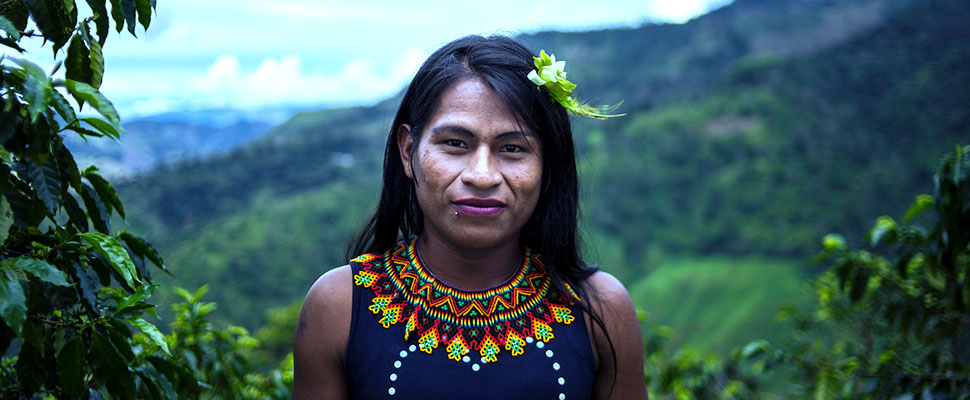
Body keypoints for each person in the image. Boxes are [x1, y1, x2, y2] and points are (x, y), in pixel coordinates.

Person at [293, 35, 647, 400]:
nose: (482, 175)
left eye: (512, 149)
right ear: (409, 150)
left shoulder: (602, 310)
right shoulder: (339, 306)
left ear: (548, 165)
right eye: (455, 144)